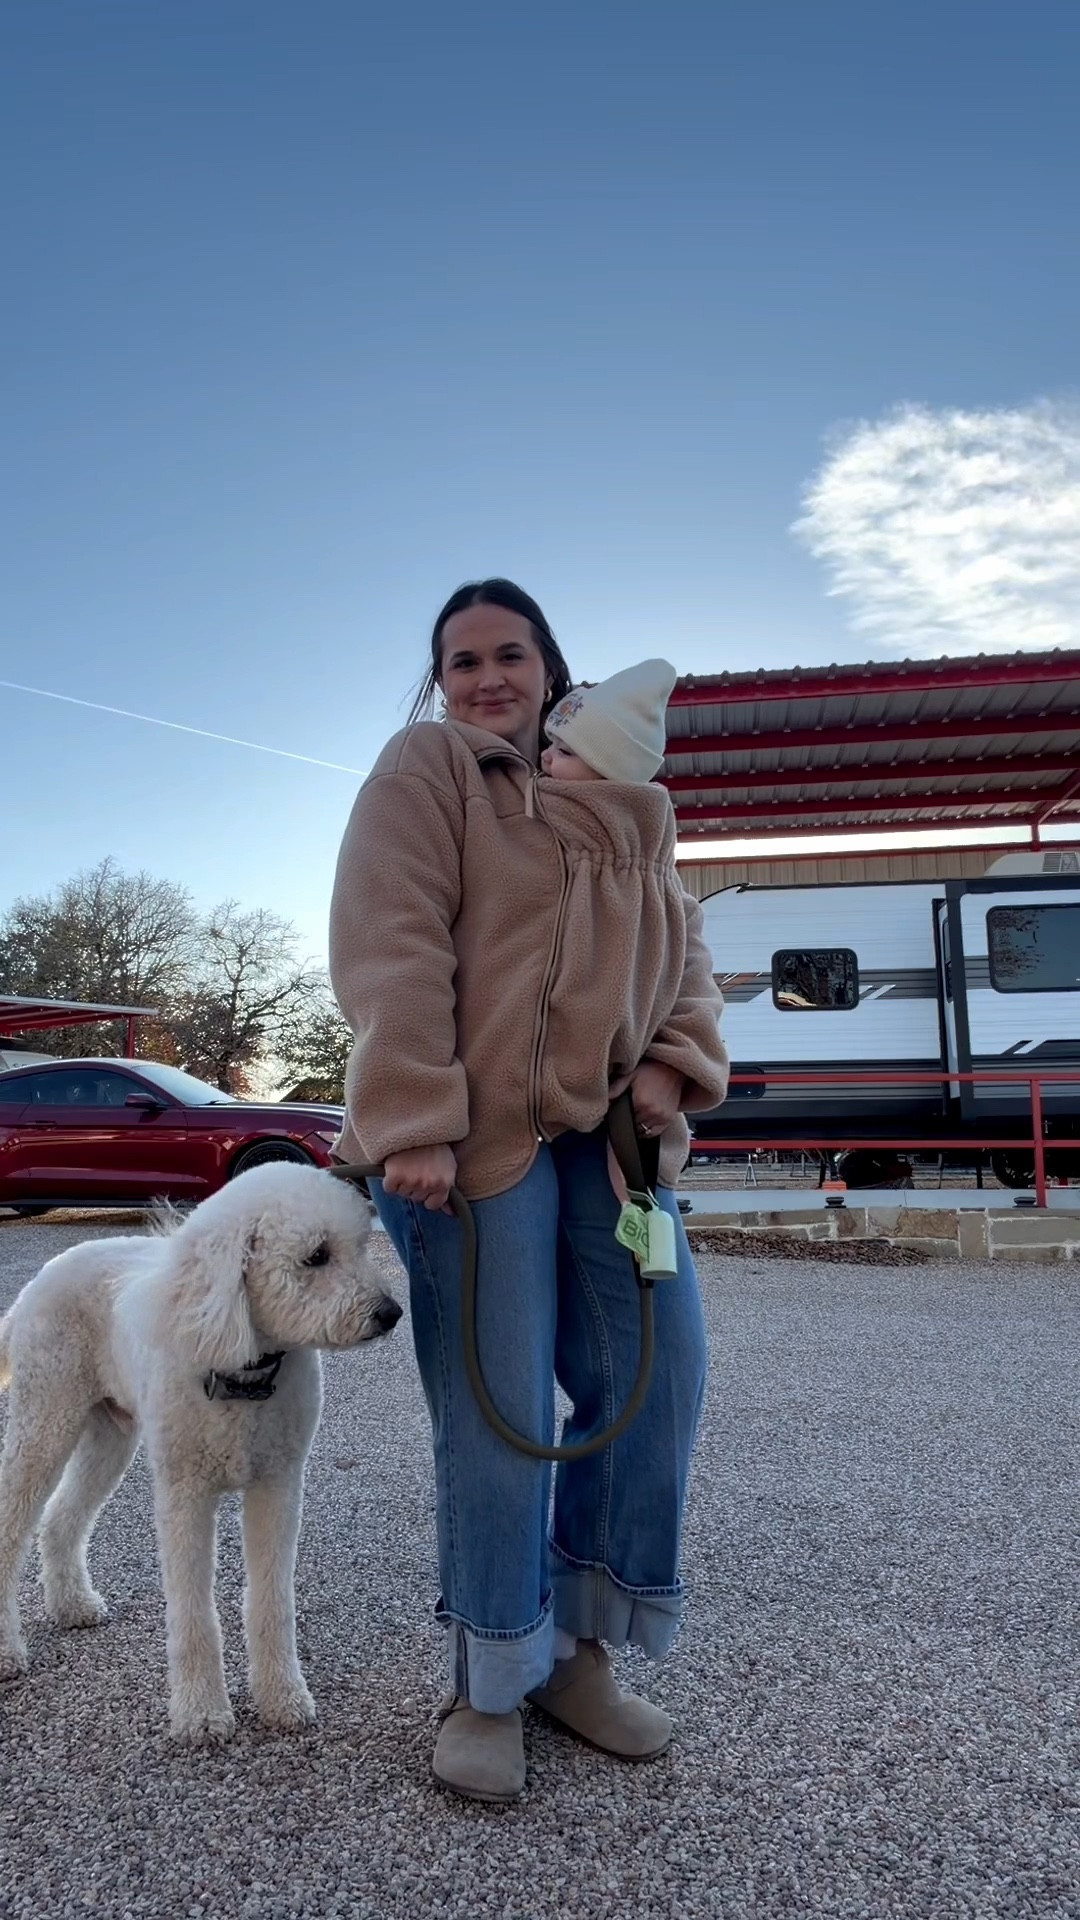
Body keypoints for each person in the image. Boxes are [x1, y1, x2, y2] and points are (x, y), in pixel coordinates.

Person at [329, 579, 728, 1802]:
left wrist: (672, 1065)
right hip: (468, 1144)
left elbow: (688, 956)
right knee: (501, 1412)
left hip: (603, 1146)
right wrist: (412, 1119)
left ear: (552, 667)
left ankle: (578, 1652)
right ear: (441, 683)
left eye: (511, 654)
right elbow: (392, 937)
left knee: (659, 1381)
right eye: (463, 661)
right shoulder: (429, 772)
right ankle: (487, 1678)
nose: (488, 677)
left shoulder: (624, 817)